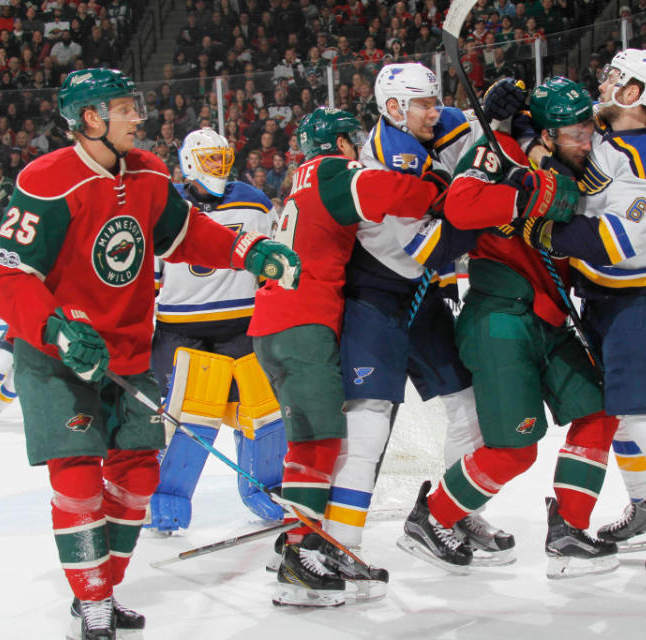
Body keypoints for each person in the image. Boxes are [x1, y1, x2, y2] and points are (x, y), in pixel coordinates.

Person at [0, 68, 298, 639]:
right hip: (60, 354)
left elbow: (185, 234)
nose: (139, 116)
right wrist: (56, 331)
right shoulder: (47, 179)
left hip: (129, 351)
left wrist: (247, 249)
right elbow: (9, 274)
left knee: (136, 475)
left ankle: (98, 587)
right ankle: (94, 603)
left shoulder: (151, 172)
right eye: (125, 107)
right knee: (79, 474)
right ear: (91, 118)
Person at [399, 77, 621, 578]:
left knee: (602, 411)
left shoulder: (583, 162)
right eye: (573, 134)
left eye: (588, 130)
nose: (586, 142)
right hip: (499, 319)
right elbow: (461, 206)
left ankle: (568, 530)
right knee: (514, 451)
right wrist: (519, 189)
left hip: (552, 316)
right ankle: (432, 517)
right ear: (544, 135)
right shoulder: (498, 151)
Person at [522, 49, 646, 588]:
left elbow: (615, 241)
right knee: (624, 411)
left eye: (615, 77)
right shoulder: (609, 142)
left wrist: (543, 232)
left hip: (641, 298)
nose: (603, 81)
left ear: (636, 95)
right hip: (606, 299)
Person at [249, 107, 446, 606]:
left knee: (311, 440)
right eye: (351, 141)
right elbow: (398, 195)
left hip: (273, 324)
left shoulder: (298, 181)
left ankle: (301, 544)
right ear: (338, 143)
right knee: (319, 443)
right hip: (303, 320)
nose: (358, 148)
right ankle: (301, 556)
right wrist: (438, 182)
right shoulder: (333, 172)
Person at [322, 62, 514, 566]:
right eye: (424, 104)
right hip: (374, 300)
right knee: (368, 425)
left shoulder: (420, 125)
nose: (434, 111)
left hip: (421, 295)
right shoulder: (391, 159)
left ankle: (449, 514)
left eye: (433, 101)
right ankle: (342, 544)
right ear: (393, 110)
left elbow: (467, 137)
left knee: (468, 406)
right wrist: (491, 208)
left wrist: (494, 117)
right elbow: (437, 240)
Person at [147, 127, 285, 535]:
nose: (218, 167)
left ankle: (268, 489)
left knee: (262, 412)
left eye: (222, 157)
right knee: (188, 419)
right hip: (180, 329)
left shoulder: (254, 202)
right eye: (209, 159)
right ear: (189, 161)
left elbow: (272, 262)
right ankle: (166, 499)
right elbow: (149, 278)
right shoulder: (164, 205)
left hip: (245, 324)